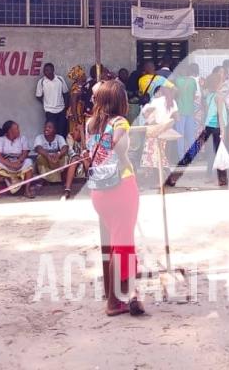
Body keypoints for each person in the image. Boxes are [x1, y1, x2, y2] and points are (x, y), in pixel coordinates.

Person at [84, 80, 145, 317]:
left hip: (99, 191)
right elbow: (119, 146)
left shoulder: (90, 124)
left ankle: (125, 295)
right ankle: (116, 300)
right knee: (124, 245)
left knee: (116, 244)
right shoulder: (120, 122)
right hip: (121, 187)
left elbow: (91, 151)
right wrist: (126, 159)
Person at [174, 68, 228, 186]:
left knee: (211, 154)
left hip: (209, 126)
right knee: (217, 153)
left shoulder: (209, 96)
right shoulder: (219, 97)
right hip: (217, 127)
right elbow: (220, 115)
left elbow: (207, 112)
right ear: (217, 83)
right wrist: (223, 131)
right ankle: (217, 178)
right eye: (220, 81)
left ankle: (209, 176)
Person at [140, 85, 179, 182]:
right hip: (166, 131)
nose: (155, 94)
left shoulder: (156, 101)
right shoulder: (172, 102)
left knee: (155, 155)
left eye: (156, 92)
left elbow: (146, 115)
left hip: (155, 131)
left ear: (160, 92)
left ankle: (162, 178)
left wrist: (145, 109)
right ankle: (165, 178)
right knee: (161, 154)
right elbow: (177, 118)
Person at [0, 120, 35, 199]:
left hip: (19, 164)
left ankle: (27, 190)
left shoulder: (22, 138)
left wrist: (19, 161)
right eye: (17, 128)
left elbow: (25, 152)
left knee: (29, 162)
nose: (19, 131)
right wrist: (10, 164)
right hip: (6, 164)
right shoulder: (1, 140)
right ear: (10, 131)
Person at [35, 63, 70, 137]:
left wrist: (65, 107)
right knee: (51, 131)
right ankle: (52, 147)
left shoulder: (60, 79)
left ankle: (61, 147)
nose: (46, 72)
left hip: (61, 110)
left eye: (48, 70)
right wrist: (46, 103)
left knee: (62, 131)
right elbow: (38, 96)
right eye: (45, 70)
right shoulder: (41, 82)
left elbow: (66, 93)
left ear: (53, 70)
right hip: (50, 111)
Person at [34, 120, 69, 189]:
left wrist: (58, 155)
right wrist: (48, 156)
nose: (46, 129)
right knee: (40, 158)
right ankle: (44, 179)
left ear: (55, 130)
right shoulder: (39, 137)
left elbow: (65, 148)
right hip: (46, 161)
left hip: (56, 161)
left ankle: (62, 179)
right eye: (45, 127)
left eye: (50, 127)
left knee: (65, 157)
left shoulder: (59, 137)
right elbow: (38, 148)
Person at [173, 64, 198, 162]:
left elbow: (175, 95)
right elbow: (193, 95)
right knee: (191, 135)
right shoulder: (192, 81)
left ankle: (181, 157)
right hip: (190, 110)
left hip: (180, 111)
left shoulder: (177, 81)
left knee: (180, 135)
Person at [66, 65, 90, 137]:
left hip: (80, 113)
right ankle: (75, 148)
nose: (85, 76)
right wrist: (76, 119)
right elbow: (73, 104)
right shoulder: (76, 88)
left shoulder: (81, 86)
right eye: (83, 75)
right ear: (79, 77)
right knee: (76, 132)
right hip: (76, 114)